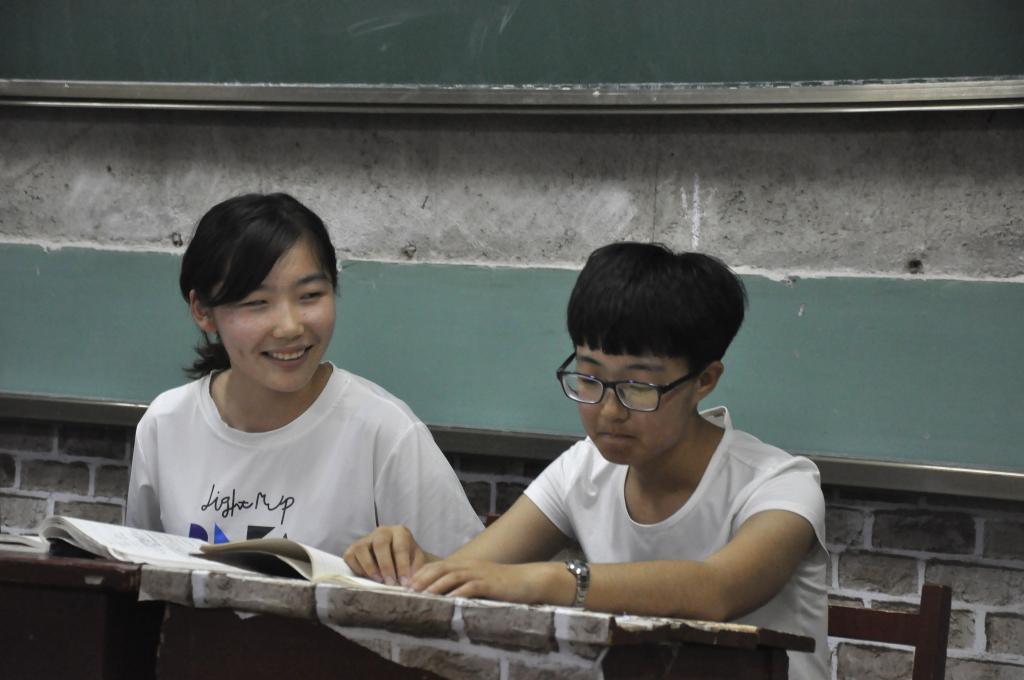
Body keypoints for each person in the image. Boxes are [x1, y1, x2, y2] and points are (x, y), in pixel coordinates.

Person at [344, 242, 828, 679]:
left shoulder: (779, 485)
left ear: (705, 380)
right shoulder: (583, 469)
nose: (610, 411)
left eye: (638, 386)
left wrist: (551, 579)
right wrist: (402, 562)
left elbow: (715, 591)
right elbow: (469, 572)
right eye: (590, 378)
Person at [126, 193, 482, 561]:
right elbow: (139, 571)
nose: (290, 327)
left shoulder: (386, 432)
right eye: (257, 302)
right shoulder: (165, 424)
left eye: (310, 295)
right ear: (203, 310)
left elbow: (473, 575)